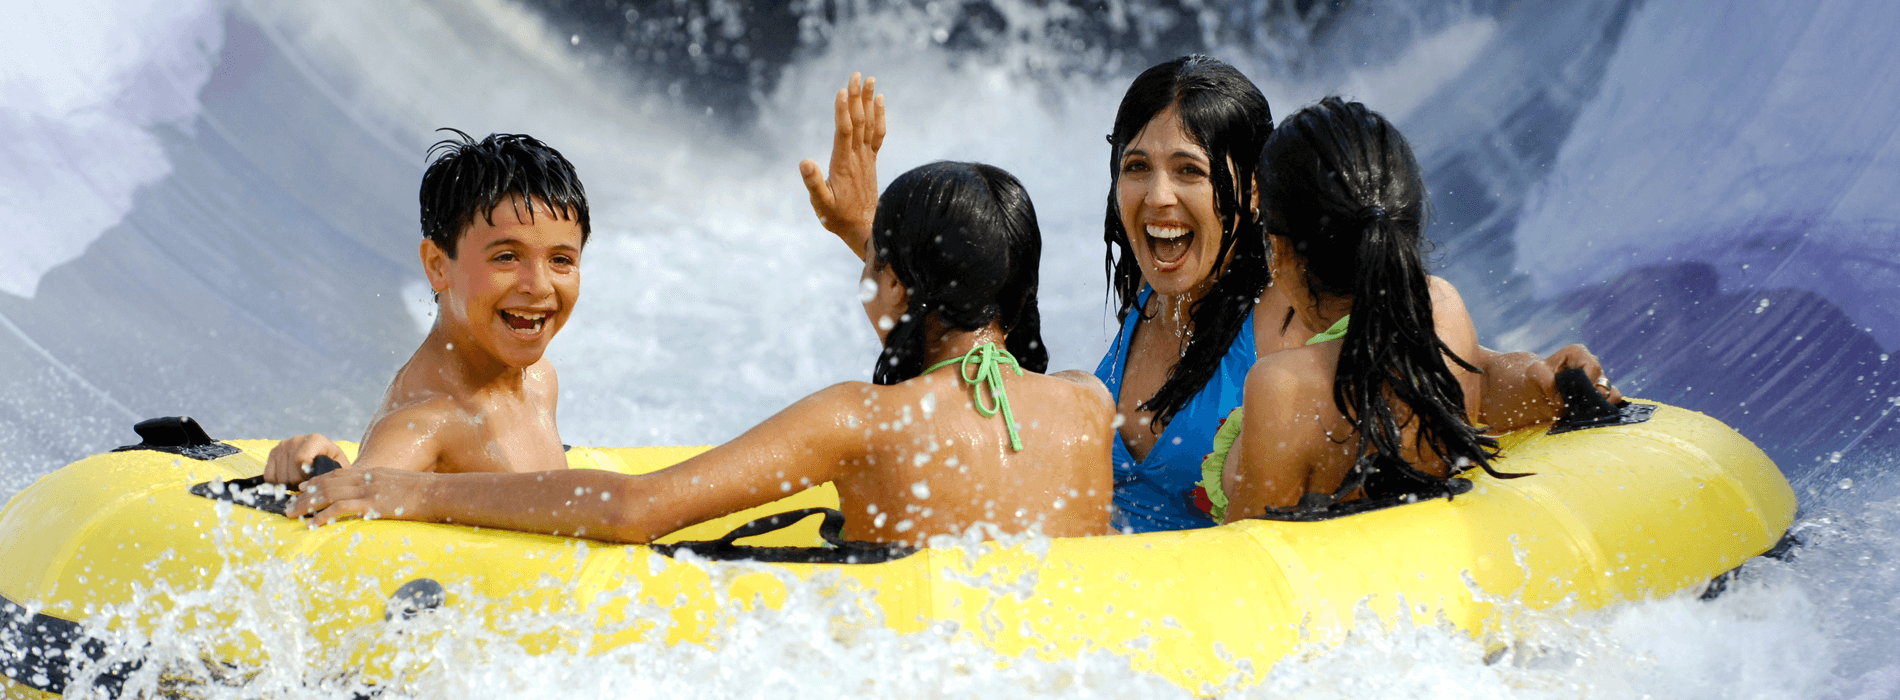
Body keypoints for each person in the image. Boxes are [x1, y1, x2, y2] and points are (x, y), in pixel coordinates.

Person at [802, 63, 1617, 533]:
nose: (1157, 197)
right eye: (1136, 165)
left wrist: (1547, 381)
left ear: (1254, 193)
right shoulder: (1143, 321)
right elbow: (996, 402)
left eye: (1189, 171)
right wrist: (872, 238)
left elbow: (1428, 372)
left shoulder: (1288, 317)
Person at [289, 161, 1116, 545]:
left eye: (876, 268)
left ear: (897, 285)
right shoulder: (1087, 406)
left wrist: (411, 493)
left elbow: (632, 510)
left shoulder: (858, 419)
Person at [1214, 97, 1590, 520]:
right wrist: (1547, 382)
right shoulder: (1442, 310)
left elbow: (1253, 550)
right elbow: (1482, 386)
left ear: (1280, 250)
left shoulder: (1283, 387)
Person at [263, 131, 590, 485]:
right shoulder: (427, 423)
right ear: (438, 265)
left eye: (561, 259)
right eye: (506, 257)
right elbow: (355, 491)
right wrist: (311, 468)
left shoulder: (541, 380)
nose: (539, 285)